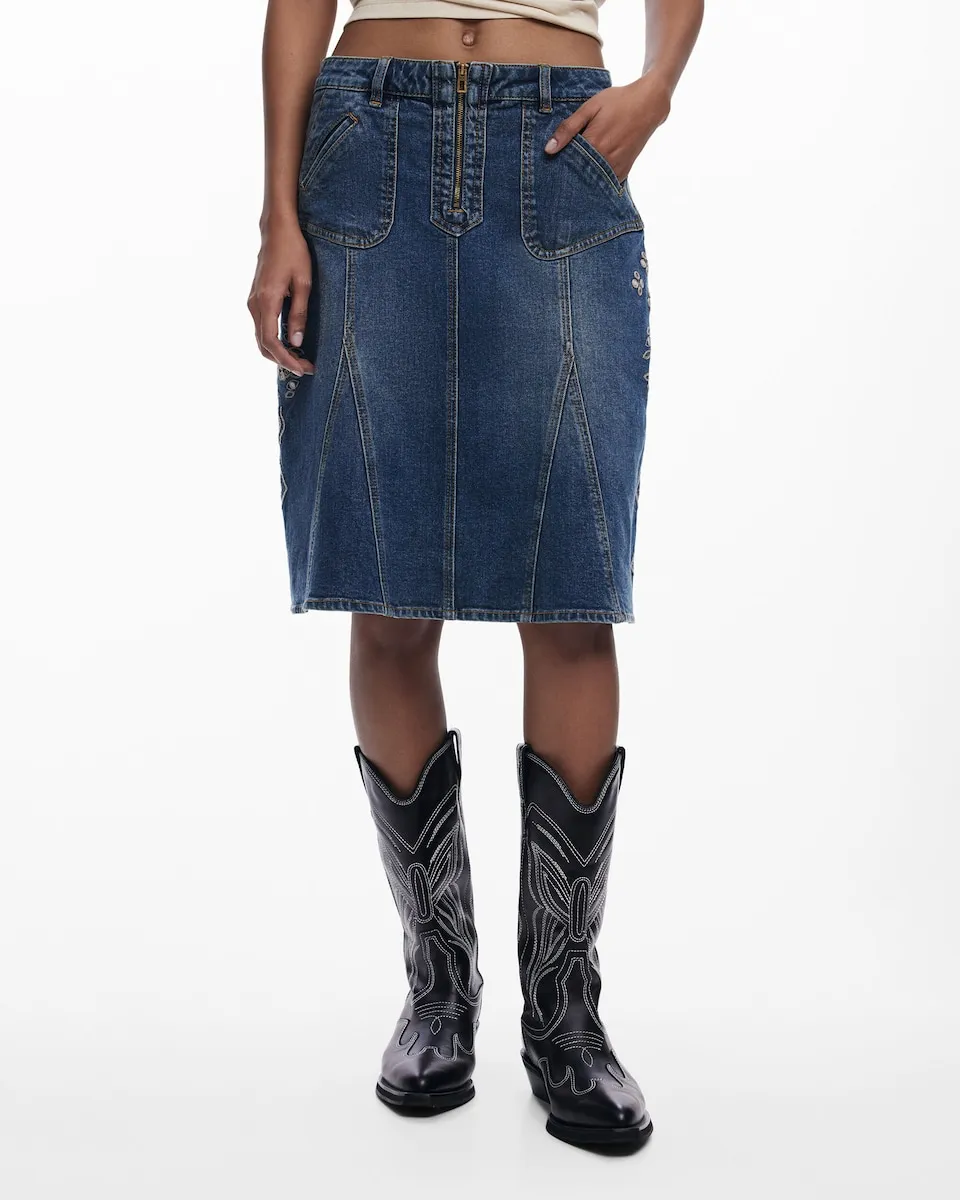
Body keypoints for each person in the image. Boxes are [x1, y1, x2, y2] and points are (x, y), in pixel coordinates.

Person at [248, 0, 702, 1151]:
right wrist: (278, 215)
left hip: (559, 144)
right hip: (369, 142)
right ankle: (440, 989)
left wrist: (659, 83)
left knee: (572, 595)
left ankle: (566, 1017)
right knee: (387, 598)